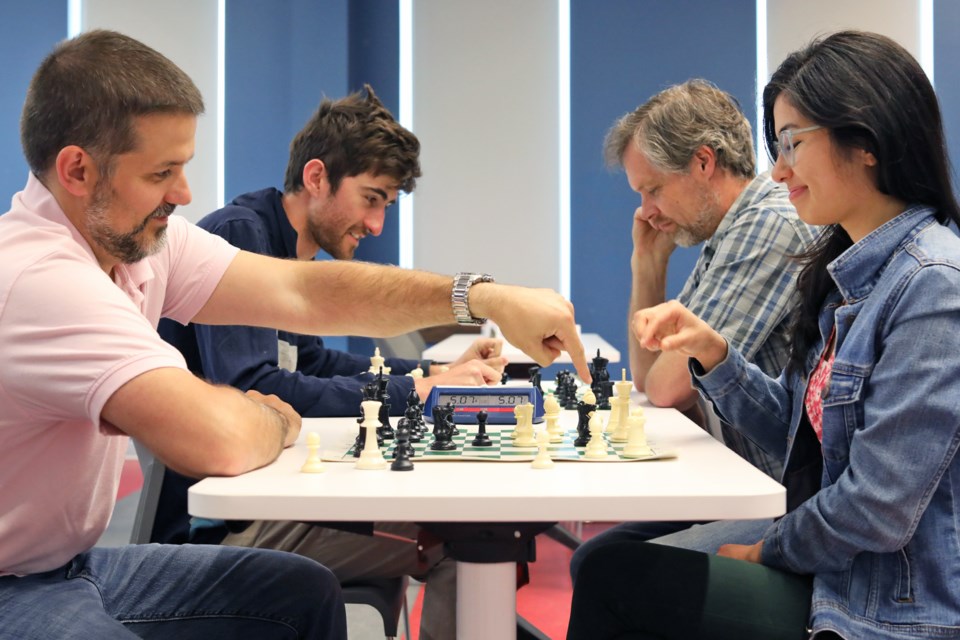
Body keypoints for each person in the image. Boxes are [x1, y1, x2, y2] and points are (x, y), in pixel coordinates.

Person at [0, 30, 590, 640]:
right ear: (77, 170)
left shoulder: (143, 246)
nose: (183, 194)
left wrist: (480, 296)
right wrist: (275, 418)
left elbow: (307, 295)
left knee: (300, 593)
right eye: (162, 173)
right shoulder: (42, 279)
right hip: (12, 589)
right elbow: (221, 438)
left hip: (67, 566)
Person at [568, 30, 960, 640]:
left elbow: (878, 508)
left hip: (882, 603)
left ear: (868, 141)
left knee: (614, 577)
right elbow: (800, 438)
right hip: (837, 562)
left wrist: (768, 550)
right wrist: (716, 355)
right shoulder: (844, 274)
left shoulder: (934, 284)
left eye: (792, 144)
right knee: (605, 564)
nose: (776, 171)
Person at [153, 86, 506, 640]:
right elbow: (254, 386)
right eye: (371, 198)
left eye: (386, 205)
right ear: (316, 177)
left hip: (271, 495)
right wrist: (417, 394)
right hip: (223, 525)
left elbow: (313, 362)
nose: (376, 226)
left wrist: (428, 377)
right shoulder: (240, 237)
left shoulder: (292, 251)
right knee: (467, 540)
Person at [570, 80, 816, 581]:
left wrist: (663, 373)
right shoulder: (723, 234)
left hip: (785, 503)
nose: (647, 211)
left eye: (654, 189)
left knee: (611, 575)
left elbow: (666, 386)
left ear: (704, 162)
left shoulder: (768, 224)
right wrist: (647, 264)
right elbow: (649, 376)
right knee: (593, 559)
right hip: (743, 484)